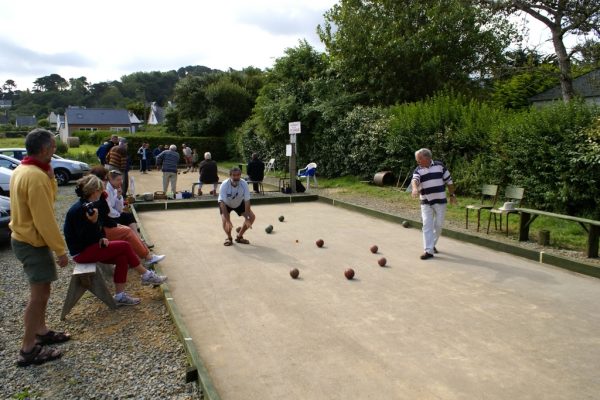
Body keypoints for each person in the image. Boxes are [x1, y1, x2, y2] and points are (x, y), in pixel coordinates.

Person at [10, 128, 70, 367]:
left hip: (23, 238)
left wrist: (52, 177)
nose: (55, 150)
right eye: (54, 147)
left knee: (43, 293)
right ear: (45, 149)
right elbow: (44, 218)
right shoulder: (35, 176)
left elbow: (48, 201)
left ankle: (41, 331)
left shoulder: (23, 169)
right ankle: (28, 348)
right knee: (38, 297)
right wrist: (60, 250)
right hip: (32, 242)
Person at [64, 175, 167, 306]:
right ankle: (146, 275)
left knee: (122, 257)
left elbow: (98, 228)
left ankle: (120, 295)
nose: (102, 193)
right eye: (101, 191)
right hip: (81, 252)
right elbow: (83, 236)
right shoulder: (80, 209)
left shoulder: (88, 205)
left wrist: (101, 236)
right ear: (94, 191)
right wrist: (95, 226)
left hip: (90, 247)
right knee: (124, 246)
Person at [89, 167, 164, 266]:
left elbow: (113, 210)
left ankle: (142, 248)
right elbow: (106, 214)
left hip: (105, 223)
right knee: (127, 231)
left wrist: (119, 196)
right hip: (101, 229)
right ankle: (147, 256)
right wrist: (115, 224)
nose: (121, 182)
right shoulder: (102, 193)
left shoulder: (105, 192)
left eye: (121, 179)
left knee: (128, 218)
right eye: (106, 179)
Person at [410, 148, 457, 260]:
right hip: (426, 201)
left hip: (440, 201)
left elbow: (449, 182)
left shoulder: (440, 166)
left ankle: (432, 244)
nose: (418, 162)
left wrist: (452, 195)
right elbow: (414, 180)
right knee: (427, 224)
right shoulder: (418, 169)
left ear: (426, 157)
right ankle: (428, 251)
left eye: (419, 159)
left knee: (439, 225)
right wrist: (415, 189)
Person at [218, 167, 255, 246]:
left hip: (238, 203)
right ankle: (229, 238)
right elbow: (222, 203)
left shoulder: (244, 183)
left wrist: (247, 218)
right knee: (225, 222)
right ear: (230, 176)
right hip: (226, 204)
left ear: (240, 175)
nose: (236, 177)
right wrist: (228, 220)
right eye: (234, 175)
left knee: (251, 217)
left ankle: (239, 237)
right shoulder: (224, 185)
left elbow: (247, 201)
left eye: (238, 175)